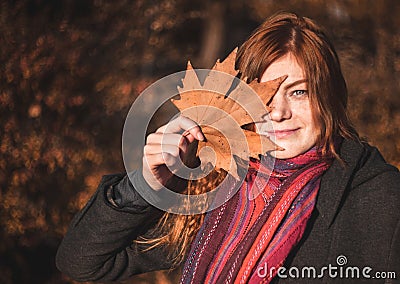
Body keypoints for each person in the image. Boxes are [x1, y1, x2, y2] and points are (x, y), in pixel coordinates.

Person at [56, 12, 400, 283]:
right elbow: (82, 262)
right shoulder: (218, 182)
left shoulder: (377, 196)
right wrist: (145, 186)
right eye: (262, 94)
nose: (278, 112)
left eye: (299, 92)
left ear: (330, 97)